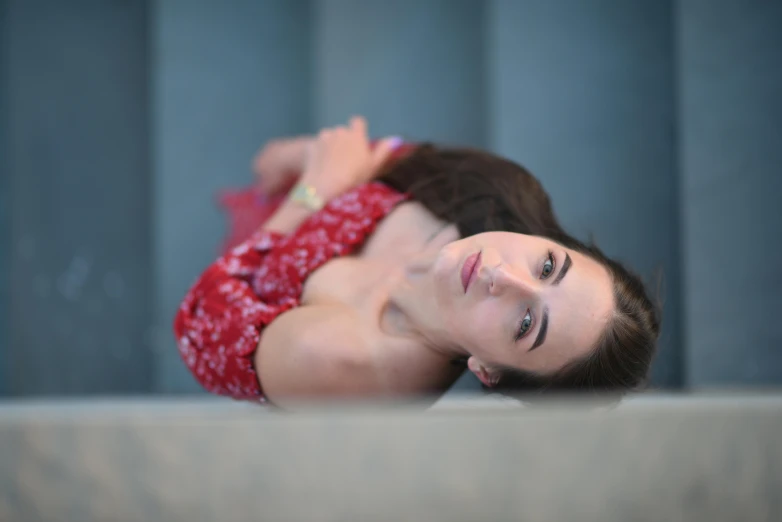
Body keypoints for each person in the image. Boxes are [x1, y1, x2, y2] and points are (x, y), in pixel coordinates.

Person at [174, 117, 660, 408]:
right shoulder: (500, 194)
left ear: (487, 370)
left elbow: (197, 324)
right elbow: (387, 155)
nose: (502, 276)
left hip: (246, 269)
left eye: (526, 322)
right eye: (549, 267)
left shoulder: (337, 361)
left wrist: (314, 191)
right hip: (279, 205)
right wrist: (301, 156)